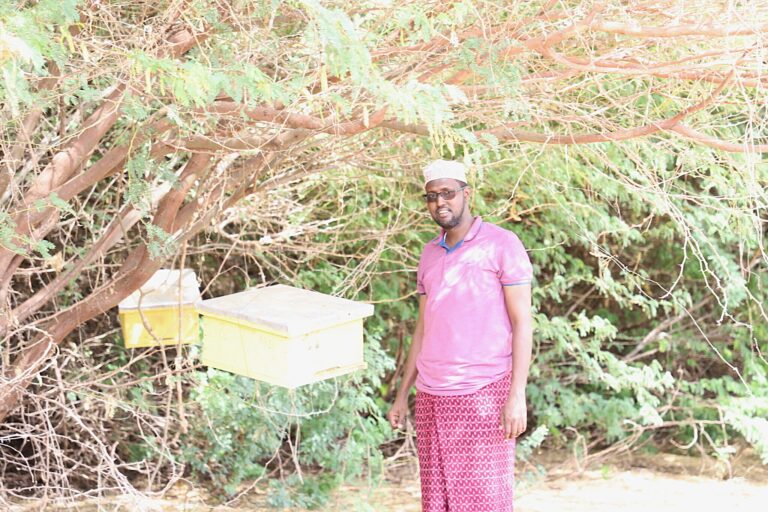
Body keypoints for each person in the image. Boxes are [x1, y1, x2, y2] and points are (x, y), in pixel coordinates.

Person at [387, 159, 534, 511]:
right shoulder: (429, 253)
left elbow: (523, 323)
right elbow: (424, 327)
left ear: (467, 194)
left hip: (483, 391)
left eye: (448, 193)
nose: (441, 202)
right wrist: (403, 393)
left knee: (485, 502)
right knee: (438, 503)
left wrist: (517, 395)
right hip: (431, 396)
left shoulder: (502, 244)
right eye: (432, 196)